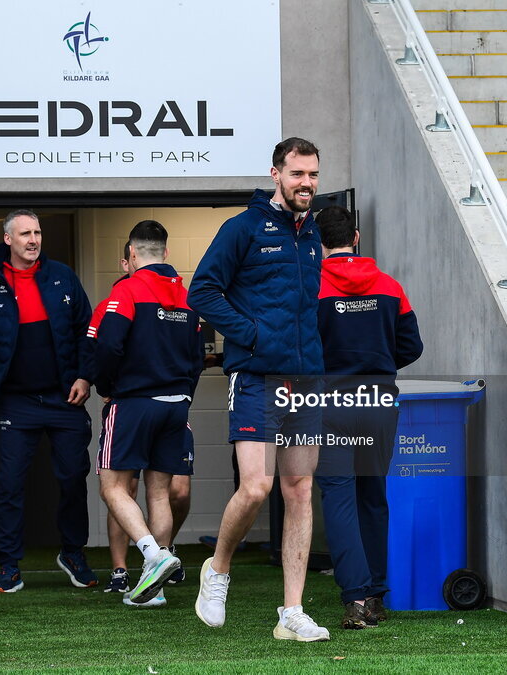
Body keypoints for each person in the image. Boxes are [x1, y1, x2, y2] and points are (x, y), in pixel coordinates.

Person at [188, 137, 330, 642]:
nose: (307, 184)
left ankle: (291, 612)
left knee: (299, 489)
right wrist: (248, 334)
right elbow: (202, 289)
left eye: (313, 175)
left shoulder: (312, 233)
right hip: (255, 377)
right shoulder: (243, 227)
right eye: (297, 175)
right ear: (276, 174)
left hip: (305, 380)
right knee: (257, 486)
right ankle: (218, 569)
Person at [0, 209, 97, 593]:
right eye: (24, 234)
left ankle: (72, 552)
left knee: (72, 478)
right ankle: (9, 566)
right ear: (8, 240)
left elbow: (88, 330)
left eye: (37, 233)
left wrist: (86, 377)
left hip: (64, 399)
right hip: (15, 403)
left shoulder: (62, 276)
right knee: (10, 485)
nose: (33, 240)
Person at [312, 206, 423, 629]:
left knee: (339, 498)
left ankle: (355, 598)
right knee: (373, 498)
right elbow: (412, 346)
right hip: (377, 402)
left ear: (318, 242)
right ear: (355, 237)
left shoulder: (312, 288)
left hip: (330, 405)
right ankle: (375, 595)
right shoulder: (390, 286)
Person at [89, 220, 204, 607]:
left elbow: (107, 347)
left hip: (135, 403)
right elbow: (197, 359)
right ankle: (151, 589)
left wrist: (107, 388)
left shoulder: (128, 290)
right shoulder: (187, 297)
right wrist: (185, 394)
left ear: (132, 254)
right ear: (166, 253)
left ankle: (154, 556)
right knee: (158, 493)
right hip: (175, 406)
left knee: (112, 487)